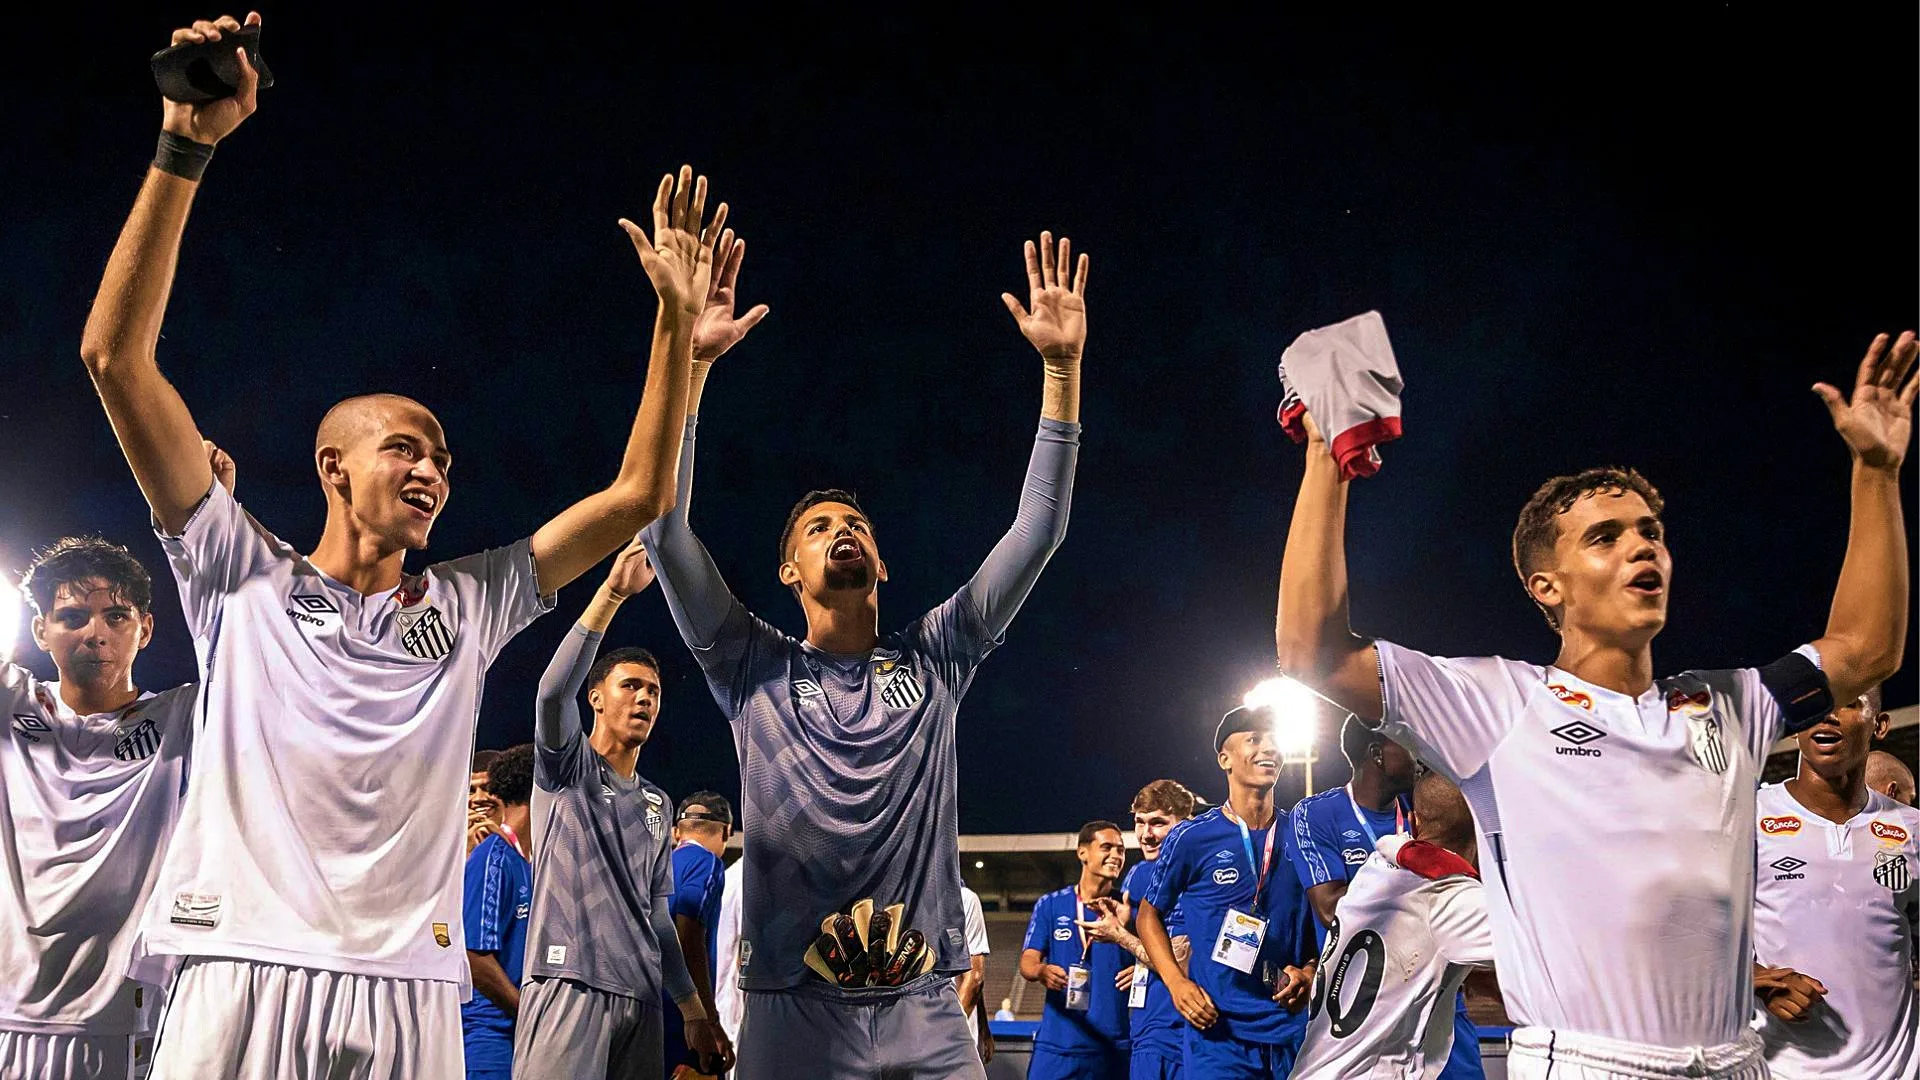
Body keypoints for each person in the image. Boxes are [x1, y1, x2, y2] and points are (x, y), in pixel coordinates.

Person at [80, 13, 727, 1074]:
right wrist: (184, 147)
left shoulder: (468, 603)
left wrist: (673, 329)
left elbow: (638, 493)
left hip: (408, 994)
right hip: (243, 963)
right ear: (333, 468)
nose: (432, 469)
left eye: (442, 457)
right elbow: (115, 358)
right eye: (403, 448)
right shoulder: (237, 567)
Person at [1275, 331, 1917, 1080]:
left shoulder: (1730, 705)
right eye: (1605, 538)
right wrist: (1328, 458)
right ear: (1547, 585)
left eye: (1652, 532)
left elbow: (1868, 649)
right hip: (1593, 1063)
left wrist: (1876, 472)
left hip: (1737, 1063)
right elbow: (1311, 653)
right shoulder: (1498, 703)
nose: (1642, 548)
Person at [642, 232, 1086, 1079]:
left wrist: (1060, 373)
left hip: (924, 1005)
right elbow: (663, 526)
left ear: (881, 562)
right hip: (790, 1009)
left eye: (858, 527)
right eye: (818, 528)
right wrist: (690, 369)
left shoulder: (939, 655)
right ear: (788, 571)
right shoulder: (751, 664)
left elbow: (1039, 532)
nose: (842, 531)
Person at [518, 540, 733, 1078]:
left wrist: (692, 1011)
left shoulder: (660, 804)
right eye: (630, 686)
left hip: (639, 999)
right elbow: (550, 695)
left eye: (654, 692)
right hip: (569, 983)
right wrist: (612, 593)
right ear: (596, 698)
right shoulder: (567, 767)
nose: (644, 699)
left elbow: (660, 918)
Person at [0, 534, 206, 1080]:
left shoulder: (185, 717)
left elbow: (245, 640)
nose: (96, 634)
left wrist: (207, 531)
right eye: (71, 617)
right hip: (7, 1010)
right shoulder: (10, 705)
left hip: (129, 1021)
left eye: (116, 616)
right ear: (39, 630)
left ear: (146, 628)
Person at [1286, 718, 1484, 1080]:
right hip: (1367, 1007)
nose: (1419, 755)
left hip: (1439, 999)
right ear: (1377, 754)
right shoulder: (1315, 814)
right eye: (1408, 746)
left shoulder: (1427, 809)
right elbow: (1331, 909)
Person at [1137, 708, 1320, 1079]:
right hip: (1218, 1035)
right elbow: (1148, 915)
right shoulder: (1192, 837)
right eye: (1254, 739)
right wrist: (1176, 982)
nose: (1268, 747)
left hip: (1291, 1031)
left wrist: (1310, 971)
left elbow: (1321, 923)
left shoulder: (1303, 836)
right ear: (1225, 759)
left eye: (1274, 739)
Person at [1752, 686, 1918, 1079]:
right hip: (1781, 1070)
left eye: (1847, 703)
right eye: (1813, 704)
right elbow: (1681, 934)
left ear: (1879, 726)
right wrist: (1752, 979)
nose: (1826, 715)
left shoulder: (1910, 828)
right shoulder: (1746, 819)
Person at [1021, 822, 1132, 1079]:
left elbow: (1154, 958)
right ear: (1083, 852)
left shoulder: (1130, 909)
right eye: (1107, 847)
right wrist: (1041, 971)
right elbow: (1028, 961)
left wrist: (1139, 969)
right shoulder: (1051, 904)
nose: (1116, 855)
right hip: (1058, 1045)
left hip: (1113, 1047)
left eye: (1120, 850)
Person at [1111, 778, 1197, 1080]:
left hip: (1185, 1026)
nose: (1146, 835)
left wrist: (1122, 936)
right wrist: (1126, 920)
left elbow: (1185, 958)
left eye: (1158, 823)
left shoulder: (1201, 873)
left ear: (1184, 823)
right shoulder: (1138, 875)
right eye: (1139, 822)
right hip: (1147, 1025)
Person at [462, 744, 535, 1080]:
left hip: (524, 1035)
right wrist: (530, 1013)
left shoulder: (528, 863)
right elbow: (476, 957)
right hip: (491, 1035)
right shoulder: (492, 856)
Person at [663, 791, 732, 1076]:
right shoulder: (706, 863)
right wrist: (707, 1020)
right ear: (727, 831)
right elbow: (688, 937)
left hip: (642, 1009)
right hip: (679, 1016)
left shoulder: (655, 866)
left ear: (676, 831)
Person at [956, 884, 994, 1064]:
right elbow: (974, 978)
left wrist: (943, 1034)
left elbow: (975, 979)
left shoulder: (964, 898)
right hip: (958, 1039)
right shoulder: (965, 898)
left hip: (945, 1038)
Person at [714, 854, 747, 1050]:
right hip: (733, 1012)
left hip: (719, 1003)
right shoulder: (749, 878)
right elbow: (745, 955)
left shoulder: (729, 875)